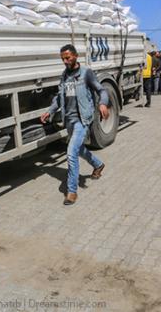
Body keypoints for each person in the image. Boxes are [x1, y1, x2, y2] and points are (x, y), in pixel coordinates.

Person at [40, 44, 109, 205]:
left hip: (82, 120)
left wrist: (103, 103)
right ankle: (98, 164)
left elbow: (102, 90)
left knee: (71, 153)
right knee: (78, 149)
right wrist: (49, 111)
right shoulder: (64, 75)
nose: (65, 61)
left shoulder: (86, 73)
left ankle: (72, 191)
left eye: (67, 57)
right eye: (62, 58)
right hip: (69, 120)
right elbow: (59, 97)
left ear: (76, 56)